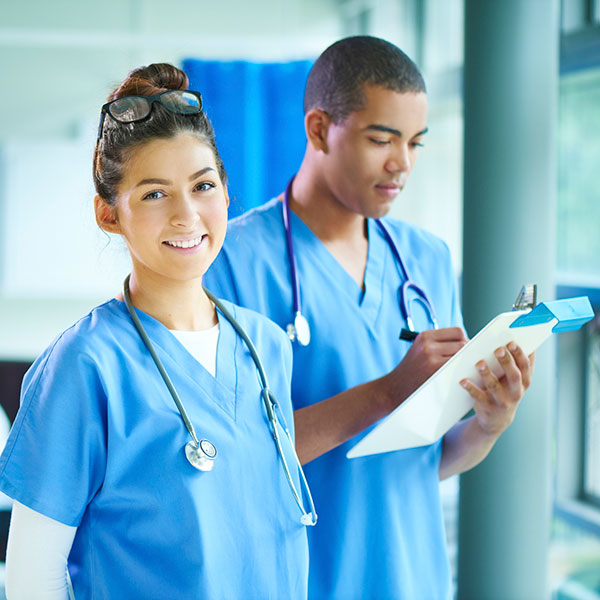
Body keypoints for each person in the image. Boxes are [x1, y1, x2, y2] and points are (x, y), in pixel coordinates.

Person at [204, 36, 535, 599]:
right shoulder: (230, 263)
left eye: (414, 143)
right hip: (302, 582)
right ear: (318, 130)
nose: (401, 164)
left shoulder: (426, 259)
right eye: (381, 139)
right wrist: (387, 392)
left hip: (414, 580)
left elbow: (425, 461)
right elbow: (232, 460)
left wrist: (489, 424)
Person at [0, 63, 313, 599]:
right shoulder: (86, 363)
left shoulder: (265, 346)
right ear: (108, 213)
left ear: (227, 192)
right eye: (153, 194)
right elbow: (31, 577)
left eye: (203, 186)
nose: (187, 215)